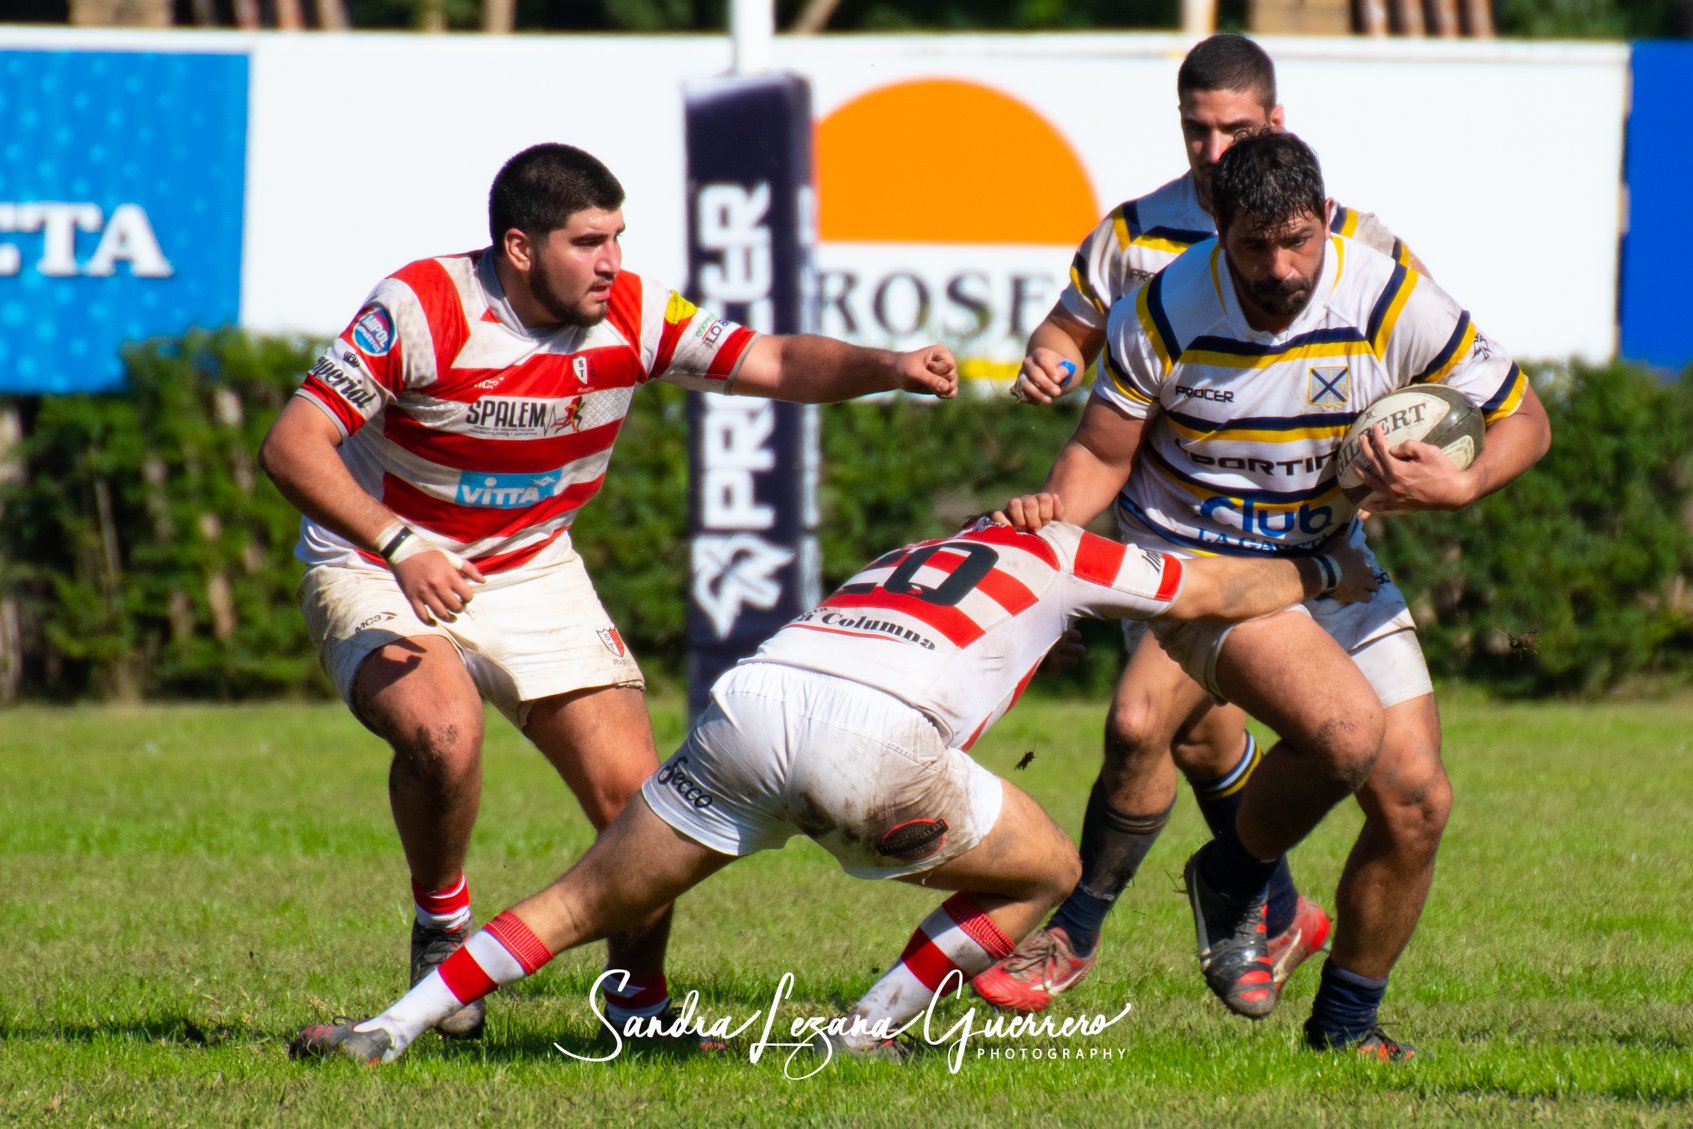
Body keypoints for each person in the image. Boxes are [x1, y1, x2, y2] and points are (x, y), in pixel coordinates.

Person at [257, 142, 961, 1042]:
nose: (612, 263)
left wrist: (887, 366)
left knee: (645, 801)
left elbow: (776, 361)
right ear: (519, 247)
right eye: (589, 242)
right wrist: (399, 543)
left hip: (533, 566)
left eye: (617, 238)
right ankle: (441, 929)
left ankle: (637, 1008)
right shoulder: (420, 307)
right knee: (443, 733)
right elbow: (291, 445)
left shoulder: (629, 313)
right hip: (377, 560)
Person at [287, 509, 1377, 1065]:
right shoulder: (1067, 548)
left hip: (751, 702)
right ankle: (863, 1028)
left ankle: (392, 1025)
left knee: (579, 899)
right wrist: (1328, 570)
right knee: (1044, 867)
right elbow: (1216, 588)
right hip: (871, 741)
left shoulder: (910, 548)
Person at [997, 129, 1550, 1060]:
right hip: (1199, 572)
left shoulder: (1388, 296)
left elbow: (1522, 419)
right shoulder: (1161, 310)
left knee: (1416, 800)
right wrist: (1055, 520)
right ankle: (1231, 872)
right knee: (1339, 735)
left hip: (1329, 557)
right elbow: (1099, 454)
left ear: (1323, 221)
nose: (1280, 266)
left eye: (1297, 240)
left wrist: (1459, 482)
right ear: (1217, 227)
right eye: (1255, 245)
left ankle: (1341, 1026)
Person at [975, 31, 1423, 1017]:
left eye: (1235, 130)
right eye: (1196, 132)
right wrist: (1048, 356)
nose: (1215, 154)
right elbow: (1071, 326)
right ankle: (1274, 903)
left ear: (1274, 123)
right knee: (1189, 739)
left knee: (1148, 725)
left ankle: (1082, 931)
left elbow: (1416, 366)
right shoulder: (1135, 234)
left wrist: (1405, 459)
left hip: (1283, 546)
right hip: (1166, 531)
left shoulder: (1346, 237)